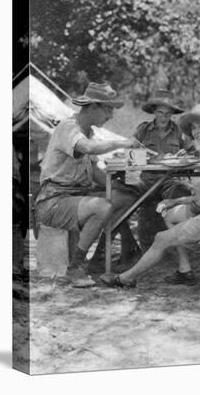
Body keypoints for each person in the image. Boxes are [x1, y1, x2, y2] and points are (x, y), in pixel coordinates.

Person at [100, 103, 200, 288]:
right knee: (169, 214)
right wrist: (173, 202)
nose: (196, 131)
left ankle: (125, 278)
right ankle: (184, 269)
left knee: (161, 238)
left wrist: (180, 204)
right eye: (193, 127)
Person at [35, 82, 140, 287]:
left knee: (126, 197)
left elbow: (95, 174)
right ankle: (75, 267)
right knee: (102, 207)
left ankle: (102, 257)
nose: (110, 116)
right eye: (108, 110)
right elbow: (88, 148)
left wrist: (121, 185)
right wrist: (121, 143)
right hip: (52, 202)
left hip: (73, 199)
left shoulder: (87, 132)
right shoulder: (68, 128)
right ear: (92, 107)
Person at [133, 89, 192, 253]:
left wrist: (184, 153)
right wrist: (152, 159)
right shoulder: (143, 130)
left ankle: (182, 250)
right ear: (154, 112)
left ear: (173, 114)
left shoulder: (180, 132)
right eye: (160, 112)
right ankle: (134, 250)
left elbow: (193, 151)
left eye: (168, 113)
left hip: (170, 181)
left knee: (187, 193)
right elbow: (131, 155)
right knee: (122, 199)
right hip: (146, 181)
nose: (164, 117)